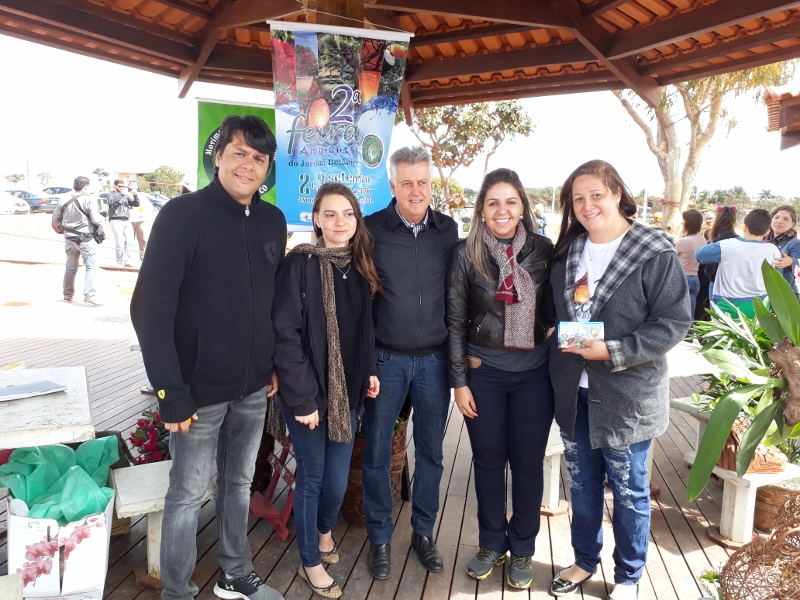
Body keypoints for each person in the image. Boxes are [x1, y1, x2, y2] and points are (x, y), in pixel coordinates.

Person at [130, 114, 286, 600]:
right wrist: (169, 391)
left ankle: (234, 574)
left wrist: (273, 364)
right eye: (239, 152)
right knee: (185, 494)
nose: (248, 164)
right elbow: (149, 308)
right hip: (195, 392)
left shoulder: (272, 221)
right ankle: (176, 589)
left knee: (239, 485)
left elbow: (271, 301)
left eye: (259, 158)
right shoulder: (183, 215)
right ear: (218, 157)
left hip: (254, 387)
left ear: (267, 169)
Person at [548, 160, 691, 600]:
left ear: (617, 193)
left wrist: (615, 349)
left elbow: (673, 322)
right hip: (575, 390)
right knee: (582, 483)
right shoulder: (570, 250)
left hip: (628, 394)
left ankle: (628, 575)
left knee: (629, 491)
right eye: (578, 199)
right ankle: (584, 561)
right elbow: (562, 311)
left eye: (596, 194)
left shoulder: (654, 250)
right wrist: (555, 329)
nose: (588, 205)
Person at [445, 169, 555, 589]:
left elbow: (561, 305)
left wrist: (544, 328)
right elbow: (454, 321)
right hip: (483, 375)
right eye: (493, 202)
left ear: (523, 205)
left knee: (527, 466)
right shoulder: (465, 253)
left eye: (510, 201)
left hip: (534, 376)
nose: (502, 210)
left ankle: (523, 549)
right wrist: (459, 382)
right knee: (489, 463)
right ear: (482, 210)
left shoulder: (545, 250)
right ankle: (492, 542)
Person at [271, 183, 381, 599]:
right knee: (313, 478)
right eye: (330, 214)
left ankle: (321, 531)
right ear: (315, 219)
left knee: (337, 479)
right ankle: (310, 561)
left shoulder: (357, 263)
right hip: (308, 396)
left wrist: (369, 369)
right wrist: (301, 398)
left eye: (347, 214)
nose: (340, 222)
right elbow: (285, 334)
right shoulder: (300, 264)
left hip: (347, 391)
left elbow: (363, 327)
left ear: (357, 219)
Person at [362, 146, 458, 580]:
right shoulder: (370, 229)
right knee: (377, 453)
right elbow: (357, 300)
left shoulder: (448, 230)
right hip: (386, 360)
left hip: (436, 362)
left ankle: (423, 533)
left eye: (422, 181)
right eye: (407, 182)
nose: (415, 190)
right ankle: (379, 536)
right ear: (392, 185)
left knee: (433, 454)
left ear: (430, 184)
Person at [695, 208, 781, 319]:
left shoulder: (726, 246)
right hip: (761, 305)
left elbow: (699, 255)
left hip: (728, 304)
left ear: (745, 226)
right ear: (767, 231)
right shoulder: (773, 250)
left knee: (724, 336)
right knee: (752, 335)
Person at [51, 175, 104, 307]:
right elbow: (96, 220)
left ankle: (67, 295)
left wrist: (62, 230)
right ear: (85, 186)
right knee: (91, 267)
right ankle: (89, 295)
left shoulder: (64, 199)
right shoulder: (89, 199)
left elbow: (55, 220)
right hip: (85, 238)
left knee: (70, 268)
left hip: (69, 238)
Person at [675, 209, 706, 317]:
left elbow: (672, 259)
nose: (681, 223)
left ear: (688, 223)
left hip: (682, 279)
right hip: (695, 279)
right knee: (690, 315)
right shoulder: (703, 240)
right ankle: (691, 334)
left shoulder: (682, 241)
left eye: (683, 221)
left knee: (678, 315)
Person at [767, 205, 800, 297]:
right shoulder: (763, 240)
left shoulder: (795, 243)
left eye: (786, 219)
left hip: (786, 296)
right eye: (776, 217)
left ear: (792, 223)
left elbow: (798, 268)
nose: (779, 221)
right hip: (765, 293)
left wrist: (792, 262)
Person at [106, 179, 139, 267]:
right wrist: (122, 194)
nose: (121, 188)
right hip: (115, 219)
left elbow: (136, 204)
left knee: (130, 241)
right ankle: (119, 262)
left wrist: (135, 195)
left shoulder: (126, 196)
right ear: (115, 186)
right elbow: (111, 201)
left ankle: (128, 261)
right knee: (120, 242)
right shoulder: (111, 195)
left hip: (126, 220)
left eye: (122, 186)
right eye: (119, 186)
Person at [128, 182, 151, 261]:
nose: (133, 187)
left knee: (142, 238)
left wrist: (144, 213)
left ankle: (143, 255)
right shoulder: (126, 195)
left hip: (140, 220)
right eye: (131, 185)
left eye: (135, 185)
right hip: (129, 220)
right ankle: (128, 257)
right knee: (128, 240)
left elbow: (149, 206)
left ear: (137, 186)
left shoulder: (142, 195)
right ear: (128, 186)